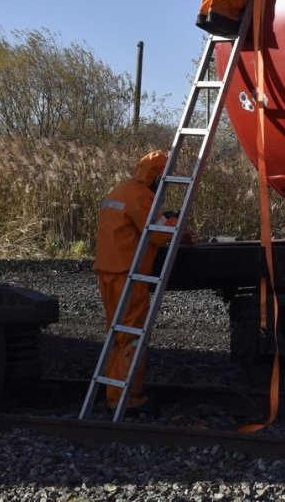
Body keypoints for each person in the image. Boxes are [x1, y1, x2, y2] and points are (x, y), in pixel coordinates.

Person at [93, 150, 189, 412]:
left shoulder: (120, 190)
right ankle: (125, 397)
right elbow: (159, 234)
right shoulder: (141, 196)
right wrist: (177, 221)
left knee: (118, 334)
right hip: (128, 274)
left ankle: (112, 390)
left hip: (108, 271)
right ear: (158, 177)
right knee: (133, 336)